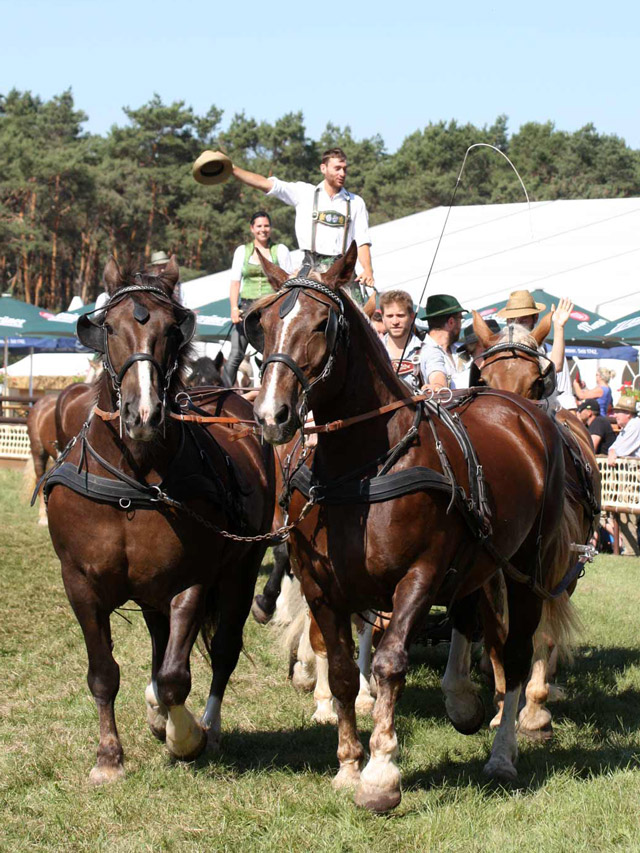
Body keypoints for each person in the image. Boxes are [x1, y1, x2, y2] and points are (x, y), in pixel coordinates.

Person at [227, 147, 374, 302]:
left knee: (360, 315)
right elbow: (266, 184)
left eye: (345, 169)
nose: (342, 174)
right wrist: (232, 170)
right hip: (311, 269)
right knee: (292, 313)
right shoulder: (304, 193)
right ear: (323, 168)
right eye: (337, 168)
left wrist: (368, 270)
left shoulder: (356, 202)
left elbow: (362, 241)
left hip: (342, 271)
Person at [222, 212, 292, 387]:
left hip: (271, 309)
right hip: (247, 308)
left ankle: (270, 390)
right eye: (259, 226)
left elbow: (288, 282)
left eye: (266, 226)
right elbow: (235, 283)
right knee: (236, 354)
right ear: (252, 229)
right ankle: (223, 393)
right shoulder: (242, 251)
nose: (263, 230)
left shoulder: (280, 250)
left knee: (270, 353)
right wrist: (233, 308)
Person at [496, 290, 575, 409]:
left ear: (535, 318)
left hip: (542, 412)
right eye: (512, 320)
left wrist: (558, 327)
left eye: (523, 320)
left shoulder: (545, 350)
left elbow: (555, 366)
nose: (517, 324)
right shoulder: (500, 350)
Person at [418, 294, 468, 391]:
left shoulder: (460, 348)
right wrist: (438, 385)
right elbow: (437, 382)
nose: (461, 324)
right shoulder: (424, 352)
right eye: (460, 318)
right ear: (451, 322)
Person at [379, 290, 423, 391]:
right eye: (390, 316)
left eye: (400, 315)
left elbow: (436, 373)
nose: (395, 322)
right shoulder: (372, 351)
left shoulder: (426, 350)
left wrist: (436, 385)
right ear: (383, 318)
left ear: (412, 317)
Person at [607, 396, 640, 464]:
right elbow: (613, 447)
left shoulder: (635, 425)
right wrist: (612, 451)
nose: (615, 415)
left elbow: (621, 452)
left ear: (628, 413)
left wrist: (612, 452)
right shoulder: (626, 427)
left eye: (617, 412)